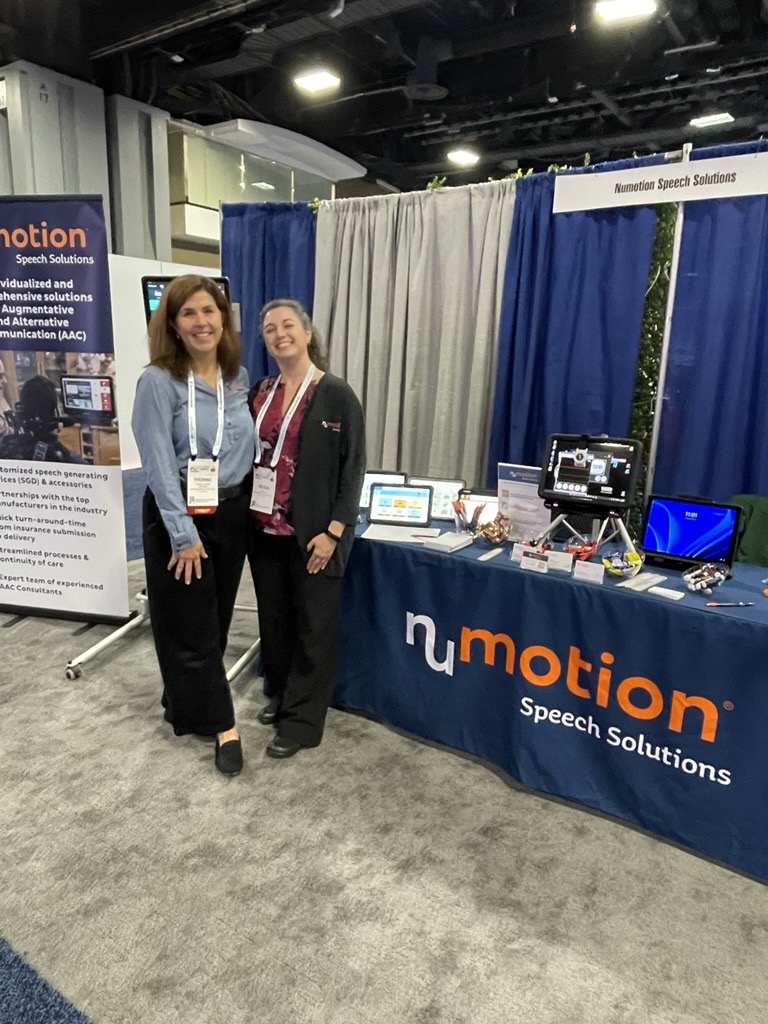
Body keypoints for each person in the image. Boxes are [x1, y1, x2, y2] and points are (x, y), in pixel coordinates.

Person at [131, 275, 253, 776]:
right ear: (173, 325)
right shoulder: (157, 381)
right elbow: (158, 462)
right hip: (179, 514)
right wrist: (182, 535)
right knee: (191, 624)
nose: (201, 322)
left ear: (223, 318)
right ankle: (224, 725)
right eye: (188, 313)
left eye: (209, 310)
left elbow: (244, 447)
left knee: (214, 618)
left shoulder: (237, 377)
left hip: (231, 512)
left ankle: (183, 700)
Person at [248, 299, 365, 759]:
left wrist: (334, 531)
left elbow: (353, 469)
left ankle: (303, 721)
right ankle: (281, 695)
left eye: (288, 325)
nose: (279, 334)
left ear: (308, 333)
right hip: (263, 529)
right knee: (275, 623)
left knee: (314, 628)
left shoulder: (336, 393)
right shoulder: (261, 392)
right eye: (270, 328)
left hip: (315, 535)